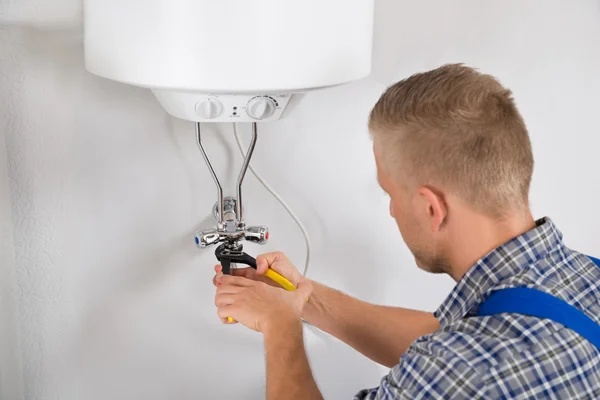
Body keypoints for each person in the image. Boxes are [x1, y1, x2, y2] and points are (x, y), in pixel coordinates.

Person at [211, 64, 600, 399]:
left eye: (389, 193)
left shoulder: (456, 372)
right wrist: (303, 300)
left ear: (432, 208)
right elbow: (451, 334)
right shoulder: (580, 279)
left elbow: (454, 362)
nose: (393, 210)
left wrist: (280, 328)